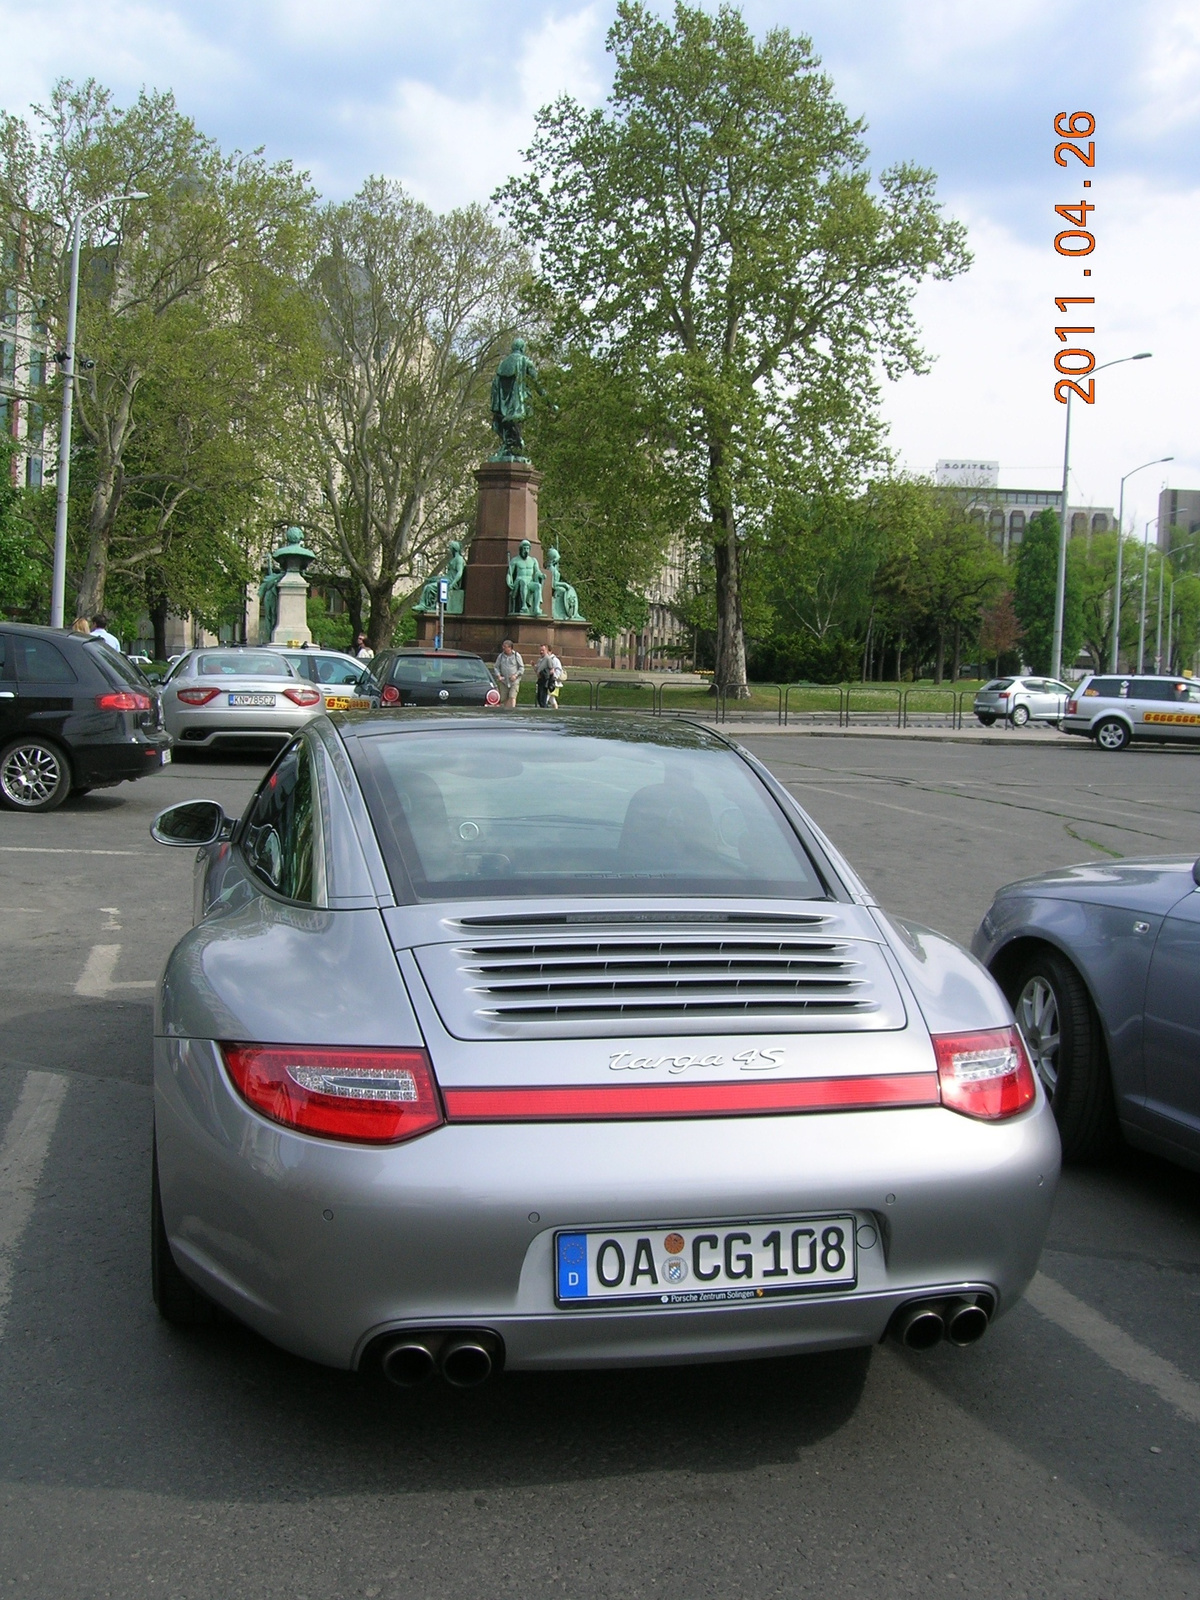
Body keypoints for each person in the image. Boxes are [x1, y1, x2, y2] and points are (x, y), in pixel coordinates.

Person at [494, 639, 524, 708]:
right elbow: (496, 667)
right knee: (504, 698)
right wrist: (498, 676)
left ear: (510, 647)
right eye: (503, 646)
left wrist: (515, 675)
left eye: (505, 647)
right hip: (504, 681)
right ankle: (506, 711)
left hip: (514, 681)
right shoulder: (501, 656)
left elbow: (521, 668)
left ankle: (512, 711)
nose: (503, 648)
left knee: (512, 696)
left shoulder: (516, 655)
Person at [536, 643, 563, 708]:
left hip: (551, 683)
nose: (542, 652)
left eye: (544, 651)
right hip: (544, 681)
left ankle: (545, 710)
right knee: (552, 700)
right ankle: (555, 711)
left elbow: (557, 670)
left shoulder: (554, 660)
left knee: (545, 699)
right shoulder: (541, 659)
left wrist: (553, 677)